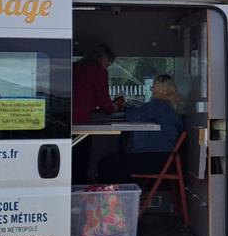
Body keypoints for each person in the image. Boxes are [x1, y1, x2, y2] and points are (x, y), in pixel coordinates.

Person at [98, 75, 185, 183]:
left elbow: (133, 117)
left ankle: (113, 197)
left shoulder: (157, 106)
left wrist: (128, 107)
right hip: (166, 159)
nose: (151, 89)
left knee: (106, 164)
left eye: (153, 87)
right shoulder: (172, 108)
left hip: (151, 158)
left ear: (158, 89)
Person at [71, 44, 124, 183]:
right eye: (109, 61)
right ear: (103, 58)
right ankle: (81, 189)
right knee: (81, 159)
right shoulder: (98, 71)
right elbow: (105, 105)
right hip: (81, 122)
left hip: (64, 120)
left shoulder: (74, 67)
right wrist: (117, 105)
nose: (108, 65)